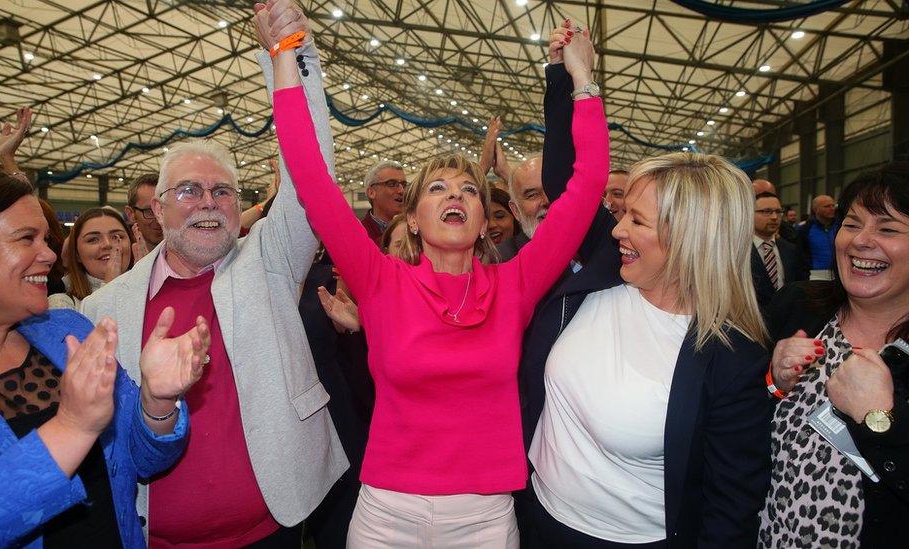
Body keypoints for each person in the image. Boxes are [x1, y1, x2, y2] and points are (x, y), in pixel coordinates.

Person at [260, 3, 608, 544]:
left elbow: (586, 187)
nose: (457, 196)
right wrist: (284, 55)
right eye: (439, 189)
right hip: (385, 516)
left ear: (482, 217)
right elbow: (310, 176)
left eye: (469, 189)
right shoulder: (380, 282)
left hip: (486, 519)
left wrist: (582, 81)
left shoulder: (515, 284)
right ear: (415, 220)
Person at [80, 7, 348, 546]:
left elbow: (311, 168)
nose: (208, 203)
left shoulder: (269, 258)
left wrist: (290, 55)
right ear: (156, 209)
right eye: (188, 191)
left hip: (275, 525)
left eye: (221, 191)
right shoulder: (105, 309)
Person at [518, 23, 771, 548]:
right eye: (621, 213)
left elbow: (731, 504)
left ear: (691, 238)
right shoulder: (608, 273)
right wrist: (573, 77)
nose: (616, 230)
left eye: (638, 220)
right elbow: (570, 179)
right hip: (536, 515)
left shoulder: (731, 354)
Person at [0, 166, 209, 547]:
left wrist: (156, 402)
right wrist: (72, 429)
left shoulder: (67, 331)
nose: (48, 254)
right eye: (26, 238)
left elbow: (143, 459)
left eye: (46, 239)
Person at [761, 163, 909, 548]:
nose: (861, 240)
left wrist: (878, 419)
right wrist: (773, 382)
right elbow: (738, 431)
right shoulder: (798, 307)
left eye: (888, 229)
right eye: (852, 223)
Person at [49, 207, 133, 311]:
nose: (107, 244)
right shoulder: (61, 304)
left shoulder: (148, 289)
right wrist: (109, 287)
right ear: (77, 254)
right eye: (93, 239)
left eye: (116, 236)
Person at [751, 192, 808, 307]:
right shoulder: (738, 253)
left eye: (778, 211)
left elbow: (802, 284)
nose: (774, 217)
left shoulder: (791, 249)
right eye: (767, 211)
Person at [361, 160, 406, 246]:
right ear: (371, 192)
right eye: (392, 184)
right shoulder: (358, 234)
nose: (401, 190)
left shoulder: (417, 231)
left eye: (403, 185)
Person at [797, 194, 839, 280]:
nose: (832, 208)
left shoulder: (840, 227)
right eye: (827, 206)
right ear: (815, 209)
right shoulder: (805, 230)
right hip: (814, 275)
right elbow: (801, 255)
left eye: (833, 205)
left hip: (838, 273)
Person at [124, 173, 164, 262]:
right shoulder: (122, 263)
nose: (159, 219)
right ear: (131, 214)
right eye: (149, 212)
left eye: (163, 209)